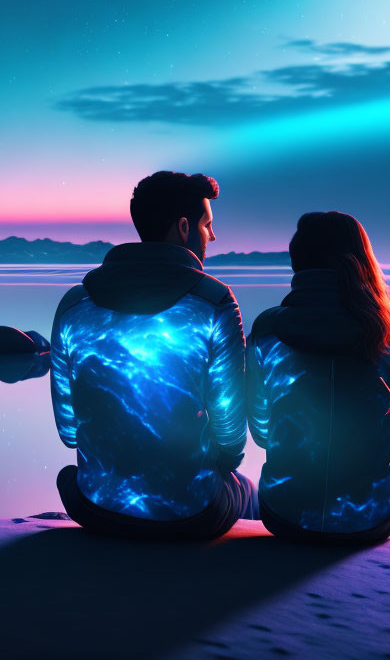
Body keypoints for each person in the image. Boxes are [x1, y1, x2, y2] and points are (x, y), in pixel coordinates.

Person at [50, 171, 258, 539]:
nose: (212, 236)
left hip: (95, 507)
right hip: (189, 516)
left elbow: (69, 430)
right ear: (183, 227)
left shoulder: (73, 304)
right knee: (246, 490)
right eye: (207, 225)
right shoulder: (214, 302)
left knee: (70, 477)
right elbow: (231, 438)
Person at [246, 211, 390, 543]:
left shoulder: (267, 329)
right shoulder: (387, 328)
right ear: (362, 261)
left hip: (284, 515)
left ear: (297, 261)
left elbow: (261, 432)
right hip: (365, 521)